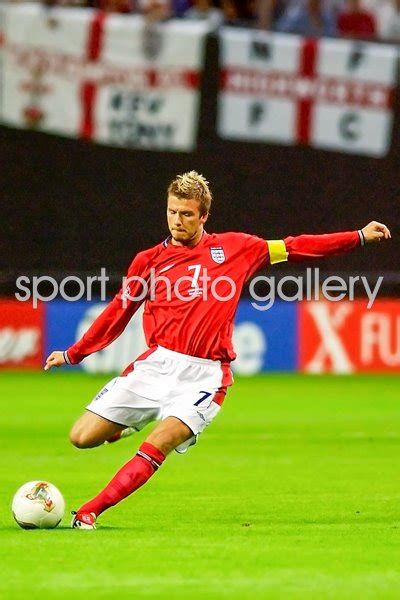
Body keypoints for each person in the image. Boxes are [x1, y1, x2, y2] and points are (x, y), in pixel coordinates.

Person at [45, 170, 391, 529]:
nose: (177, 221)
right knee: (81, 437)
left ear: (204, 215)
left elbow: (295, 247)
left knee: (159, 442)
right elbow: (119, 311)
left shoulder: (238, 248)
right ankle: (130, 424)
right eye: (172, 212)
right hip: (156, 365)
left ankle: (90, 511)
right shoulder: (147, 262)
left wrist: (359, 237)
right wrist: (74, 353)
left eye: (187, 214)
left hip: (205, 376)